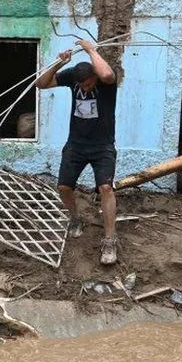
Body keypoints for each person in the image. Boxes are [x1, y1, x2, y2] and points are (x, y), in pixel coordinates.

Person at [35, 39, 119, 265]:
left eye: (89, 85)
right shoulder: (73, 76)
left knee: (106, 188)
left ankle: (110, 239)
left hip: (102, 145)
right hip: (76, 144)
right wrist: (59, 64)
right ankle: (75, 218)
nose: (85, 88)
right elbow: (40, 84)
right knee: (63, 187)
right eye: (82, 86)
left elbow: (108, 75)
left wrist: (91, 49)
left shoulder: (105, 80)